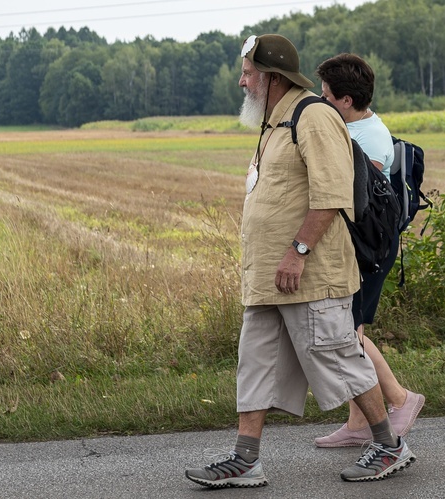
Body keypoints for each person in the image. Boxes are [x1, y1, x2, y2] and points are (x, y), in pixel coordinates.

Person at [184, 34, 415, 487]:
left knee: (341, 357)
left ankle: (390, 446)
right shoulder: (275, 123)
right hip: (269, 279)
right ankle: (246, 460)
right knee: (255, 364)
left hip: (309, 274)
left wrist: (299, 250)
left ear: (272, 78)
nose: (241, 81)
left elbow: (330, 193)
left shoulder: (313, 116)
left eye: (248, 73)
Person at [312, 53, 425, 448]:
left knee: (348, 334)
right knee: (350, 331)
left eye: (325, 96)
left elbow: (353, 200)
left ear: (345, 101)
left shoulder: (368, 139)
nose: (320, 101)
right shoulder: (354, 127)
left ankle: (400, 398)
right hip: (359, 246)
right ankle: (359, 423)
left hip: (368, 249)